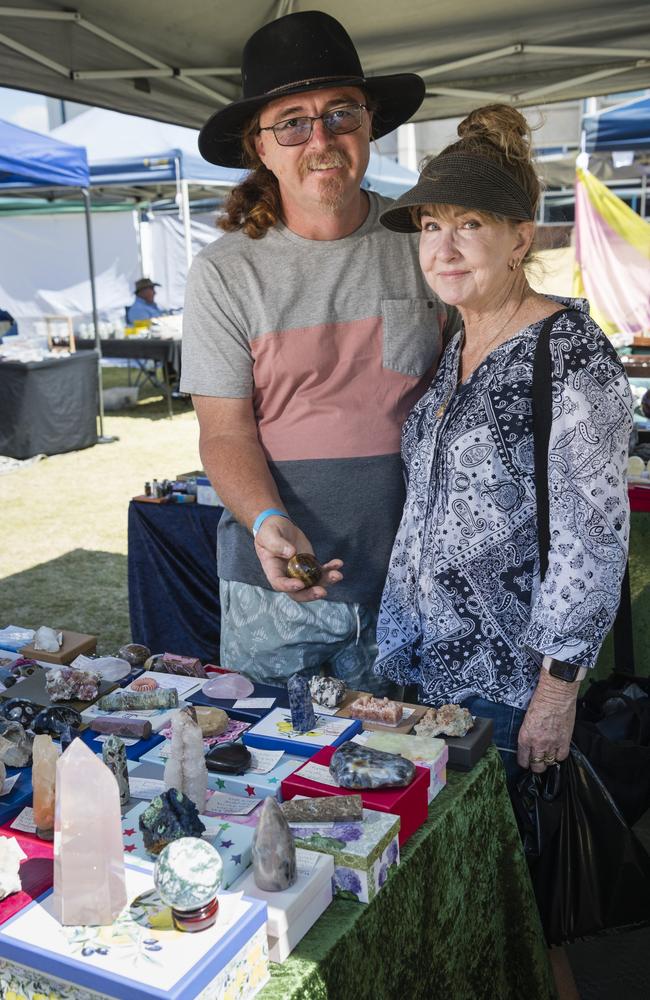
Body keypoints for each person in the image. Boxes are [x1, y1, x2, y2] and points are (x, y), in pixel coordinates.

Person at [180, 11, 458, 688]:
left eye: (341, 113)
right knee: (274, 777)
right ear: (261, 148)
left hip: (410, 579)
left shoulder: (425, 242)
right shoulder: (225, 271)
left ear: (370, 126)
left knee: (407, 771)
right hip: (275, 584)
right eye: (293, 123)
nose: (323, 138)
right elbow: (223, 434)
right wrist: (268, 521)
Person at [373, 104, 633, 780]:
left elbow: (593, 537)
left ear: (520, 238)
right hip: (430, 669)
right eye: (431, 226)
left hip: (511, 686)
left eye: (469, 224)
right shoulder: (461, 338)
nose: (443, 247)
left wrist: (557, 692)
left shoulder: (570, 352)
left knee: (506, 864)